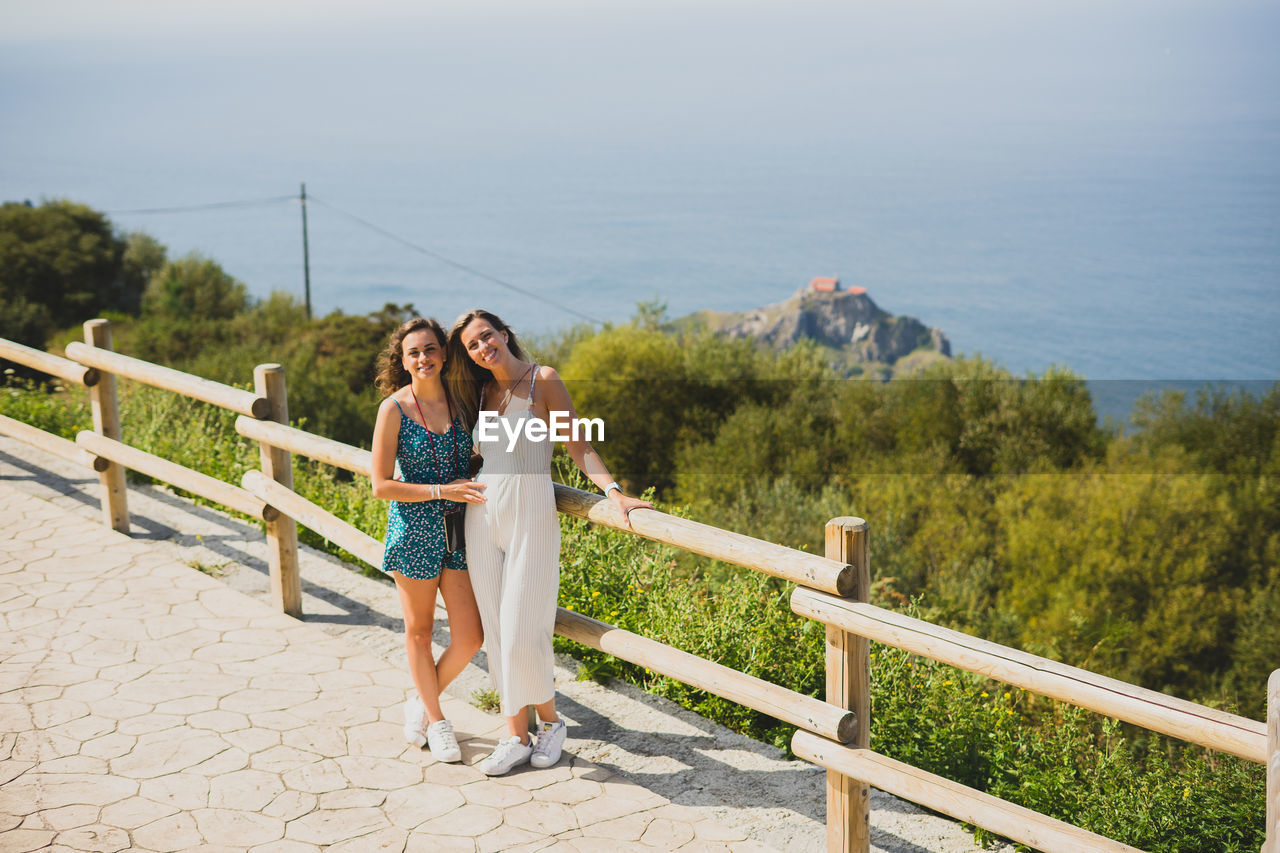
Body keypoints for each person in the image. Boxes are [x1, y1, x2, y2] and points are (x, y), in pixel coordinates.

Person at [445, 308, 652, 776]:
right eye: (472, 346)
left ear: (503, 332)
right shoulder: (477, 390)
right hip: (482, 511)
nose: (482, 348)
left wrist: (613, 492)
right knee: (497, 630)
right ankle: (516, 735)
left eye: (486, 336)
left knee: (524, 628)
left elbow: (578, 444)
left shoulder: (544, 380)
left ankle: (552, 724)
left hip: (530, 512)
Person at [370, 316, 487, 763]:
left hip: (458, 532)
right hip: (414, 531)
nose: (424, 358)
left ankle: (421, 701)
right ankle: (438, 724)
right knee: (418, 633)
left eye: (431, 349)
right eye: (414, 352)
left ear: (444, 352)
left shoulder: (463, 402)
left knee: (470, 637)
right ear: (403, 360)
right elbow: (380, 484)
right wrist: (442, 490)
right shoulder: (393, 409)